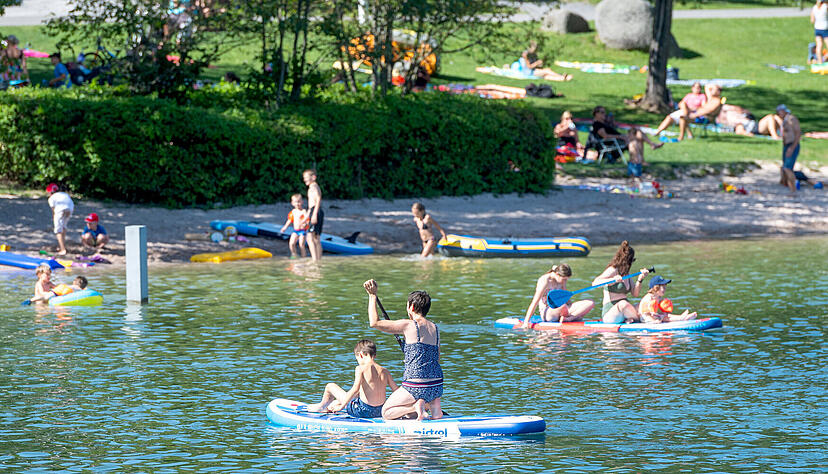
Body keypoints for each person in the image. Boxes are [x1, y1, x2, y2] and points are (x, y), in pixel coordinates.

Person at [363, 279, 443, 421]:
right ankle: (434, 411)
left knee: (386, 412)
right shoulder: (435, 328)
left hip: (416, 384)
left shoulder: (409, 325)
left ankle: (416, 407)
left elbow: (374, 322)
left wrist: (372, 296)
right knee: (410, 414)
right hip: (436, 384)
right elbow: (436, 358)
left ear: (411, 307)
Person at [306, 339, 398, 418]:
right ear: (375, 355)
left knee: (330, 386)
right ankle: (333, 405)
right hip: (380, 411)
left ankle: (321, 407)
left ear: (361, 355)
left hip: (363, 411)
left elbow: (355, 389)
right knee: (351, 397)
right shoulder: (385, 371)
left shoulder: (360, 368)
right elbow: (397, 391)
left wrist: (341, 406)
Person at [592, 241, 650, 324]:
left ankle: (634, 318)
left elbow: (635, 294)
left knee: (641, 305)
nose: (630, 265)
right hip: (611, 313)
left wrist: (640, 279)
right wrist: (612, 280)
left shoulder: (627, 274)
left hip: (624, 309)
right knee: (623, 304)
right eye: (630, 262)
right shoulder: (613, 270)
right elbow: (595, 283)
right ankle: (642, 320)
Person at [522, 264, 594, 328]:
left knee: (590, 302)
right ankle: (572, 317)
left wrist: (575, 309)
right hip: (548, 312)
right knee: (563, 306)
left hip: (564, 309)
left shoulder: (562, 280)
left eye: (566, 279)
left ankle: (569, 319)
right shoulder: (545, 280)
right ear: (557, 274)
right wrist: (526, 322)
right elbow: (535, 302)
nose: (564, 281)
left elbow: (567, 301)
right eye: (564, 279)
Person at [592, 106, 663, 166]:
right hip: (613, 142)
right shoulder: (597, 124)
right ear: (596, 114)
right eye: (602, 112)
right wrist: (620, 137)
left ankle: (642, 158)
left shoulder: (604, 123)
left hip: (618, 139)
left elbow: (613, 128)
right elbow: (605, 136)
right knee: (636, 139)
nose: (604, 114)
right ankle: (641, 158)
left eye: (604, 112)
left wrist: (612, 122)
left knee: (638, 132)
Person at [777, 104, 802, 195]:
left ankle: (793, 189)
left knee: (788, 168)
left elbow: (798, 133)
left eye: (779, 111)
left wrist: (792, 147)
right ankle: (786, 185)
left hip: (792, 145)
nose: (778, 114)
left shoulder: (792, 119)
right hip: (786, 146)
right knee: (785, 167)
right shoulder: (785, 121)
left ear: (784, 111)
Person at [46, 183, 74, 256]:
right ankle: (62, 245)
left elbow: (54, 211)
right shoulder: (64, 194)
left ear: (50, 192)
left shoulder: (51, 198)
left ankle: (63, 249)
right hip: (70, 207)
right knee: (64, 226)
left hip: (60, 209)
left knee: (58, 230)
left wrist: (54, 219)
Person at [279, 194, 310, 258]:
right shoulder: (293, 212)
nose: (297, 203)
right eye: (296, 202)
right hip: (295, 231)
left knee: (301, 244)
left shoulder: (303, 211)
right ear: (292, 203)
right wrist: (285, 227)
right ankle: (294, 254)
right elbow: (289, 220)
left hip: (302, 230)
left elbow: (307, 220)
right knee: (291, 243)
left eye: (299, 202)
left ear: (302, 202)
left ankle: (303, 257)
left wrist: (306, 224)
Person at [303, 169, 323, 262]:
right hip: (314, 211)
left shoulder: (314, 187)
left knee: (310, 237)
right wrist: (306, 219)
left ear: (313, 177)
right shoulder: (313, 187)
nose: (304, 180)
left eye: (306, 178)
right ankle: (317, 260)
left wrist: (314, 214)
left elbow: (318, 199)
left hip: (316, 211)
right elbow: (310, 207)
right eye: (304, 178)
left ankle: (315, 260)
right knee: (315, 238)